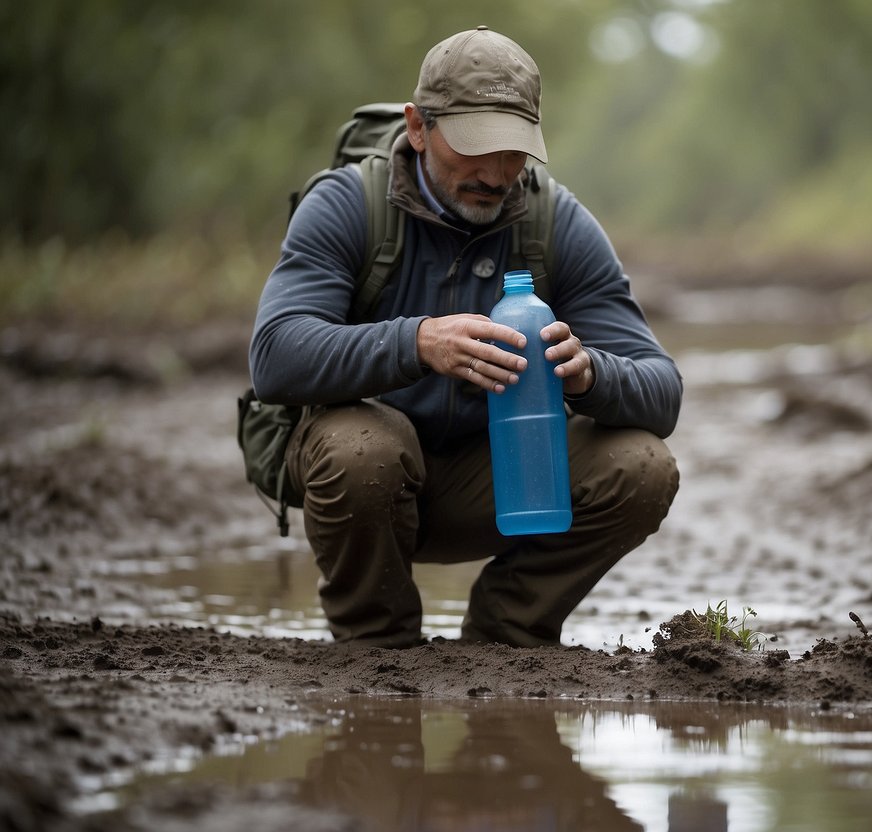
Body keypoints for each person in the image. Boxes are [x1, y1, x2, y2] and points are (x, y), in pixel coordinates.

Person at [249, 26, 681, 649]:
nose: (496, 172)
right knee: (363, 445)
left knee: (641, 466)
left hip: (503, 482)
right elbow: (275, 358)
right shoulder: (347, 205)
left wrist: (592, 374)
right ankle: (375, 644)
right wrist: (418, 343)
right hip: (364, 479)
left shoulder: (557, 224)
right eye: (475, 146)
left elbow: (663, 392)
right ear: (418, 127)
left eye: (514, 150)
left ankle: (508, 633)